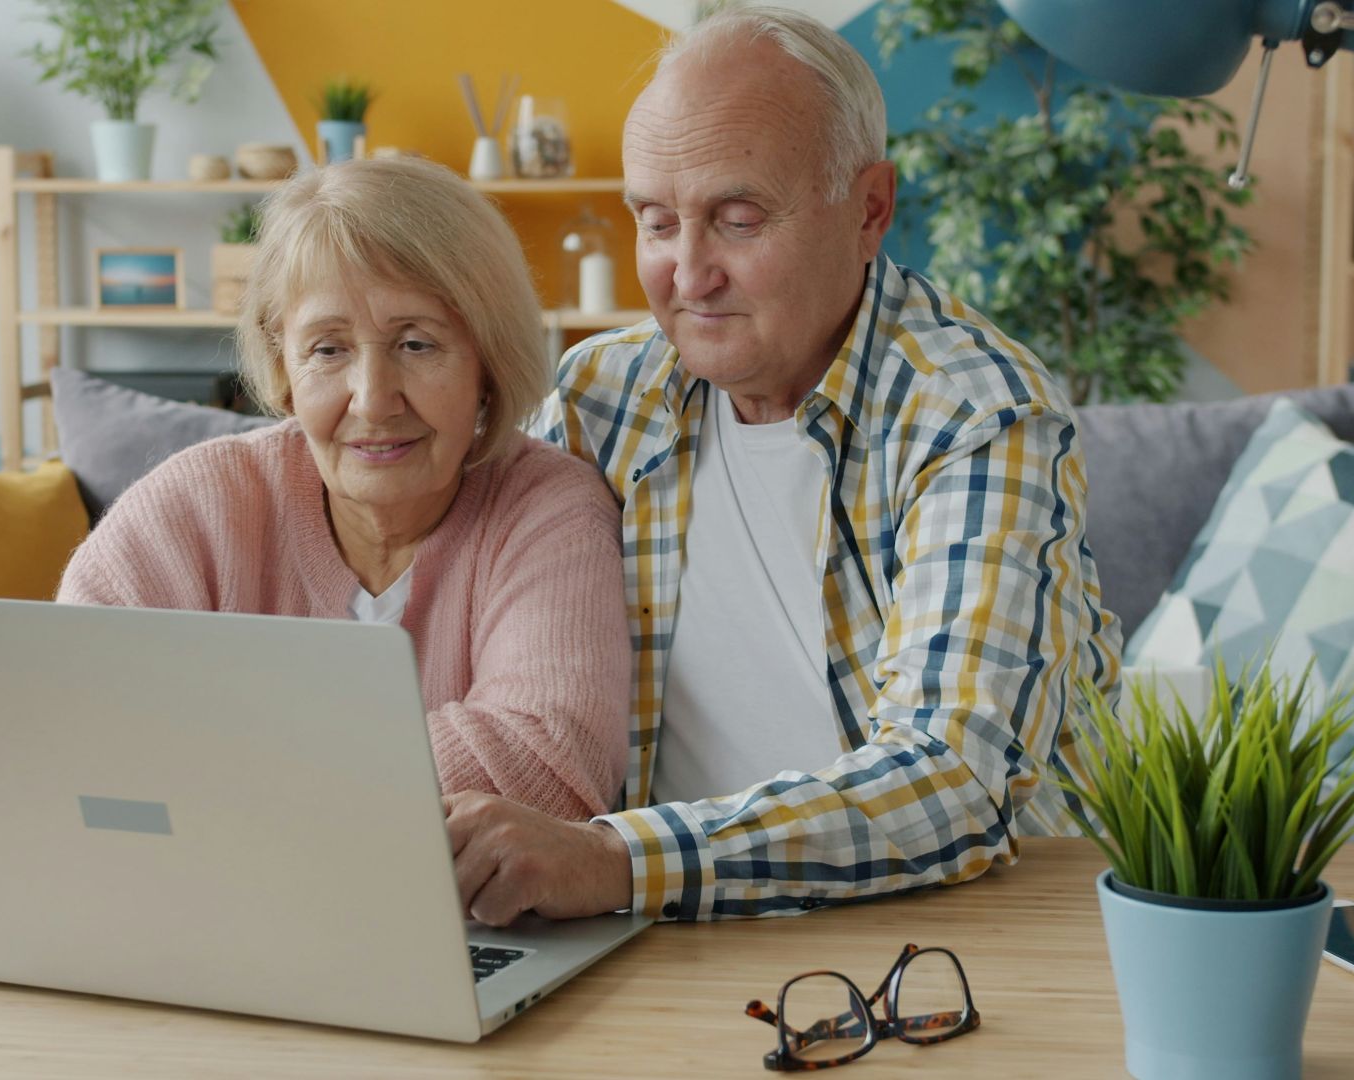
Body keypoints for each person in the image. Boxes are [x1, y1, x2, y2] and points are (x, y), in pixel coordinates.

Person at [442, 6, 1122, 924]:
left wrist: (617, 859)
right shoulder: (601, 397)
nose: (687, 274)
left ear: (870, 208)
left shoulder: (976, 413)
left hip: (965, 934)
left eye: (737, 219)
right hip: (661, 936)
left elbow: (959, 778)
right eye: (656, 222)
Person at [57, 158, 630, 822]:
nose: (374, 400)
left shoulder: (548, 509)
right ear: (281, 365)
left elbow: (549, 766)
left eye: (417, 344)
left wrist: (212, 771)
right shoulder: (193, 506)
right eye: (328, 350)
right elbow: (78, 726)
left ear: (489, 363)